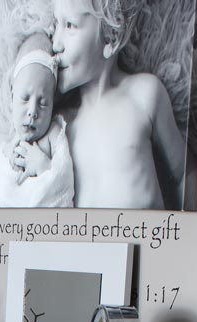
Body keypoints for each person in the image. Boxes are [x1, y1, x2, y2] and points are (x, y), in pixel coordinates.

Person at [51, 0, 187, 208]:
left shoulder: (143, 95)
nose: (55, 44)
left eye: (69, 25)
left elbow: (184, 173)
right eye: (54, 25)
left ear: (109, 38)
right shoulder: (59, 125)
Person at [0, 33, 74, 208]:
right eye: (25, 98)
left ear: (53, 105)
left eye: (43, 103)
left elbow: (64, 182)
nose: (32, 112)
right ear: (12, 96)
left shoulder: (54, 135)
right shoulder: (8, 148)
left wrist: (43, 166)